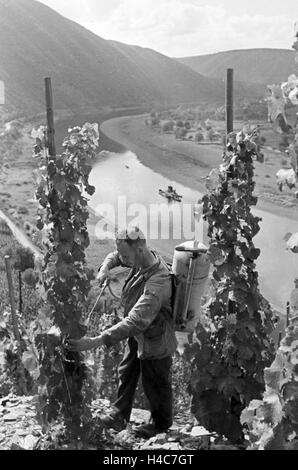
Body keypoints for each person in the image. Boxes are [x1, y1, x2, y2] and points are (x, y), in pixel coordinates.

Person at [68, 226, 178, 438]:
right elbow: (114, 256)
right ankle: (119, 416)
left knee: (155, 380)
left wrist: (96, 341)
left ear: (139, 250)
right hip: (140, 335)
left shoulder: (158, 282)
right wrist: (104, 269)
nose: (123, 260)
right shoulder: (140, 258)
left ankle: (161, 424)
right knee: (127, 371)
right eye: (123, 256)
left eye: (126, 256)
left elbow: (136, 321)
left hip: (155, 338)